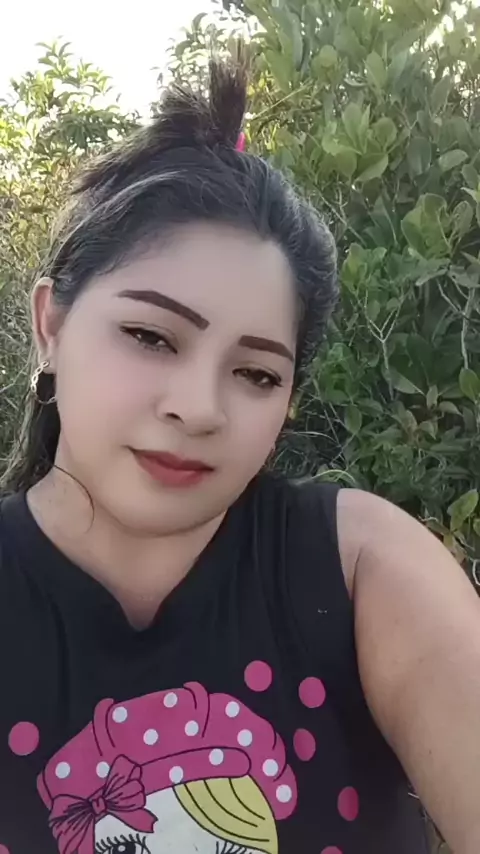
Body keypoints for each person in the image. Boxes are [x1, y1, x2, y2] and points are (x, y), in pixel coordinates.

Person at [0, 57, 479, 854]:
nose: (199, 407)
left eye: (256, 374)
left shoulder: (361, 572)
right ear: (51, 325)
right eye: (150, 336)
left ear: (288, 400)